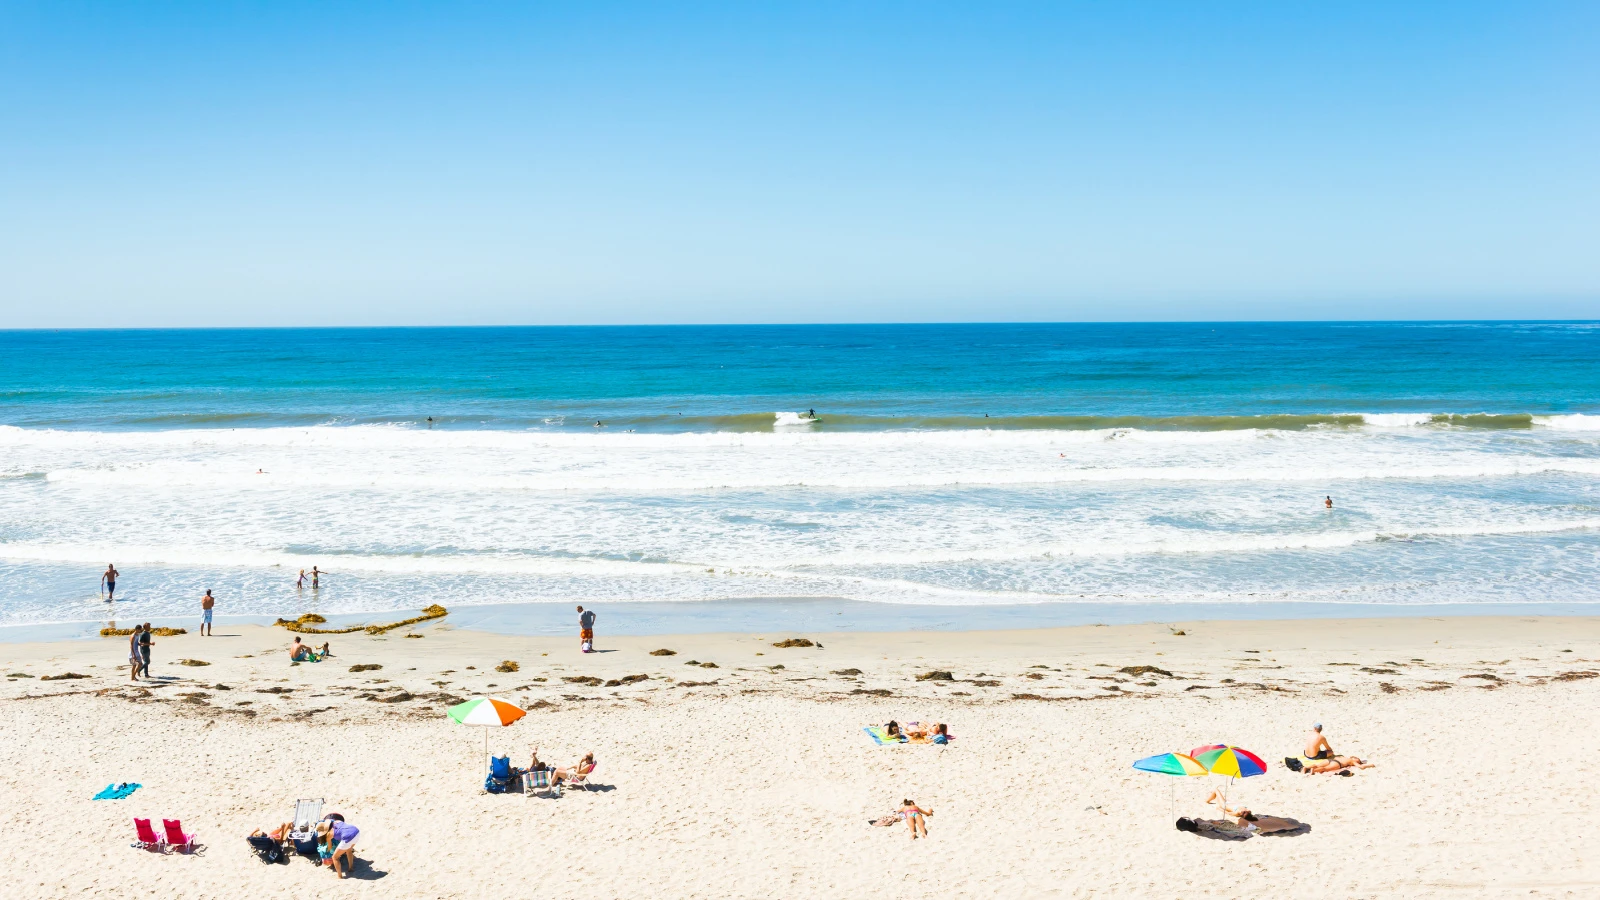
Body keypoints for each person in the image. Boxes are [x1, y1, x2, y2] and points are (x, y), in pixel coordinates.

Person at [1205, 790, 1303, 834]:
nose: (1246, 810)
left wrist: (1220, 809)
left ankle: (1207, 800)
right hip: (1230, 803)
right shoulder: (1248, 812)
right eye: (1246, 811)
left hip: (1225, 805)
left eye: (1244, 812)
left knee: (1216, 791)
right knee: (1216, 794)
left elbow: (1229, 814)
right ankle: (1210, 797)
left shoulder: (1238, 813)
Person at [1304, 755, 1373, 775]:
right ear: (1354, 758)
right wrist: (1370, 765)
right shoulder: (1352, 761)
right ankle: (1314, 771)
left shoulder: (1345, 757)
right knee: (1325, 769)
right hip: (1337, 763)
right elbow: (1361, 767)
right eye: (1358, 760)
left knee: (1318, 764)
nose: (1358, 761)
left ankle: (1306, 767)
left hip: (1332, 759)